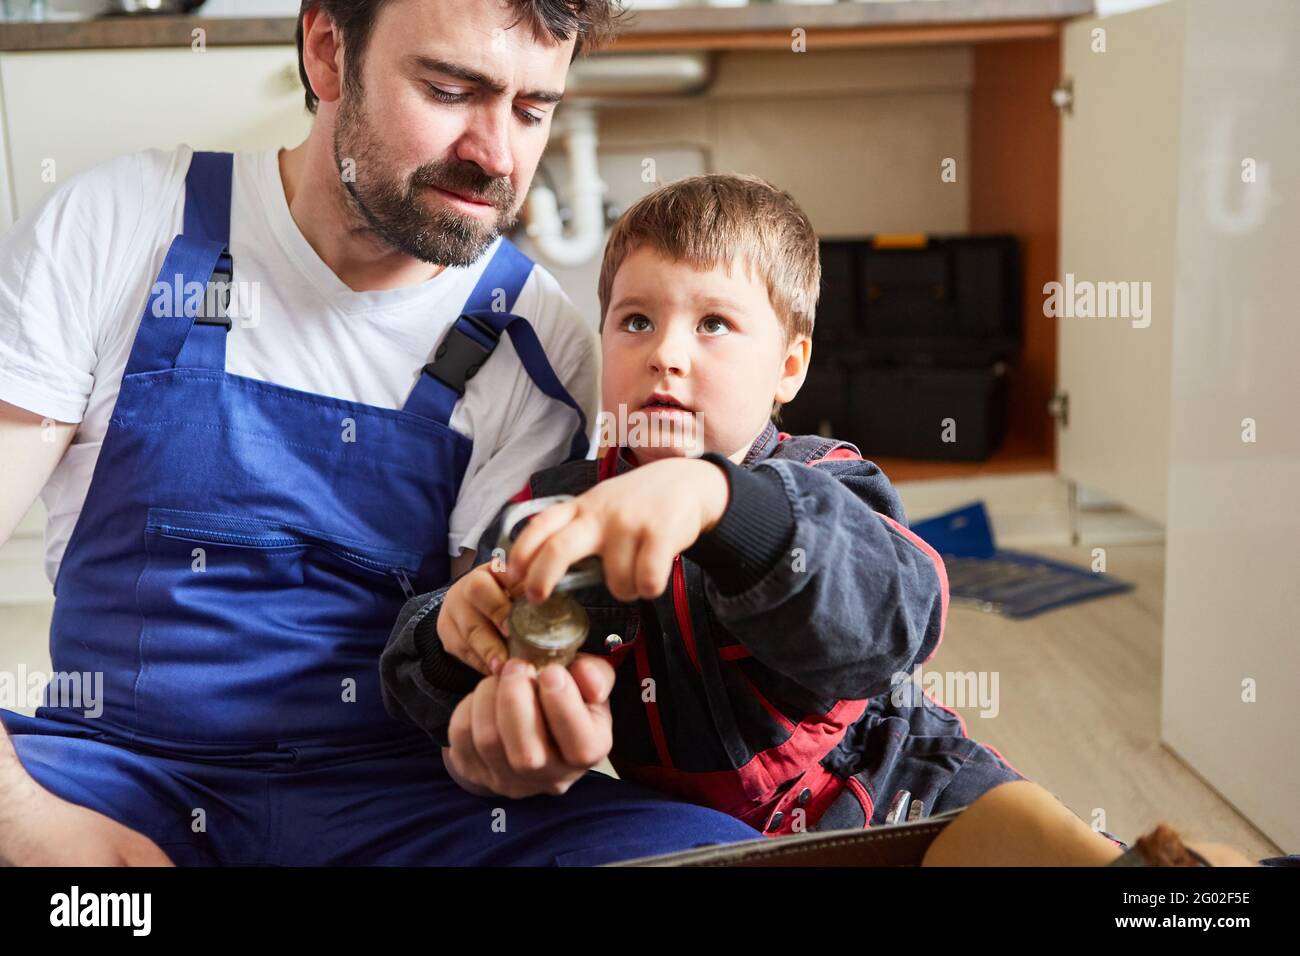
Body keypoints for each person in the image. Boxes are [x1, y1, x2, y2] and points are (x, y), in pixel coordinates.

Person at [0, 0, 762, 866]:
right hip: (112, 777)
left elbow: (485, 652)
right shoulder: (119, 225)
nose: (496, 155)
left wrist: (510, 736)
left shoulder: (533, 336)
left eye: (531, 109)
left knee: (717, 858)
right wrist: (33, 831)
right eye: (448, 89)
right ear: (327, 51)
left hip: (398, 803)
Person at [380, 173, 1028, 834]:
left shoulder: (824, 479)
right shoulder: (561, 509)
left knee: (1045, 845)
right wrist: (450, 634)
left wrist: (720, 501)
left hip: (897, 784)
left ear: (789, 368)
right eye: (636, 321)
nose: (665, 354)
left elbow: (902, 618)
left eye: (714, 323)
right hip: (688, 830)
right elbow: (420, 686)